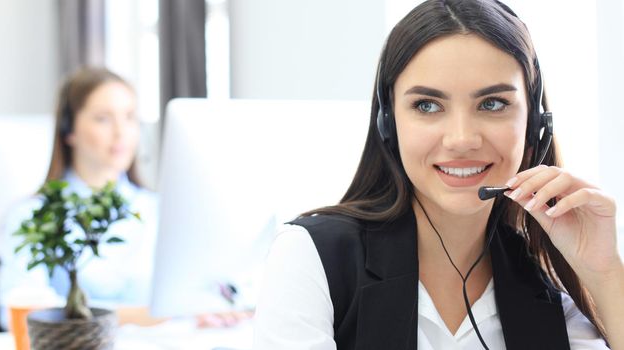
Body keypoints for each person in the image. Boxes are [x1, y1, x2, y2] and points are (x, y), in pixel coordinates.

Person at [254, 1, 621, 349]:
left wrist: (604, 271)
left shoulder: (546, 281)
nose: (461, 139)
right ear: (389, 123)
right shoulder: (310, 259)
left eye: (492, 104)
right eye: (427, 105)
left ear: (534, 125)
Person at [0, 67, 158, 325]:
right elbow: (19, 311)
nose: (121, 132)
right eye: (103, 119)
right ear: (68, 129)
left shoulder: (157, 210)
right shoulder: (33, 215)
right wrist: (139, 317)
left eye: (129, 117)